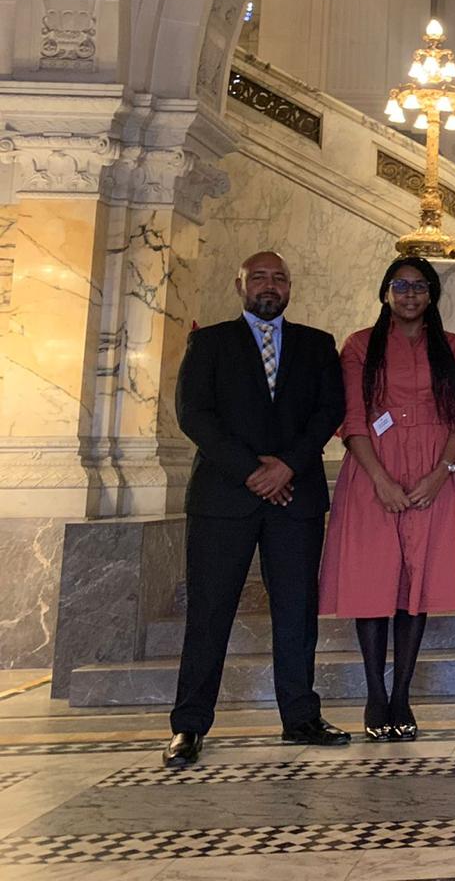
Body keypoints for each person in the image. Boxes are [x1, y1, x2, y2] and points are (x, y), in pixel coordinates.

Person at [164, 251, 347, 767]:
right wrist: (253, 471)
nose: (270, 285)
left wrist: (286, 466)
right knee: (208, 614)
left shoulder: (318, 344)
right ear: (239, 283)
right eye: (259, 277)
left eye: (280, 278)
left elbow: (329, 410)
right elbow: (193, 414)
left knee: (296, 612)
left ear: (291, 287)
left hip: (296, 499)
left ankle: (300, 716)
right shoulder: (210, 342)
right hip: (224, 500)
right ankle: (189, 725)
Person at [319, 257, 455, 742]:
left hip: (434, 472)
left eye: (420, 287)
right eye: (400, 286)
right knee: (373, 583)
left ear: (432, 296)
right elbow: (353, 417)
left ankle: (402, 692)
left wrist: (441, 472)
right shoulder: (360, 345)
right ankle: (374, 692)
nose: (410, 295)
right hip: (373, 472)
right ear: (385, 291)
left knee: (416, 582)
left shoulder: (451, 346)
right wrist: (380, 479)